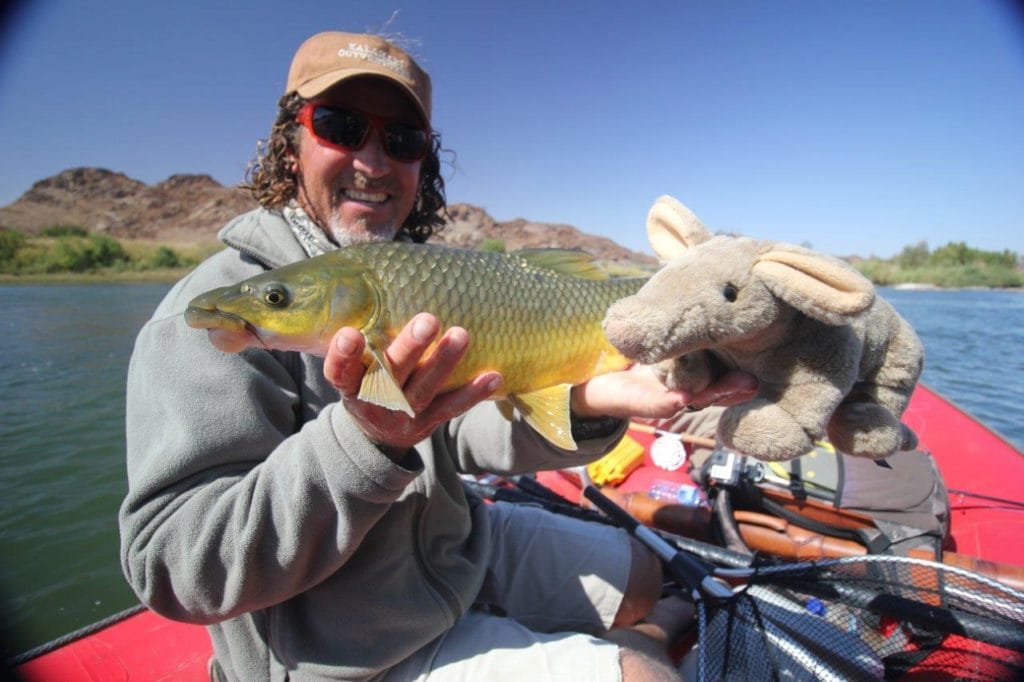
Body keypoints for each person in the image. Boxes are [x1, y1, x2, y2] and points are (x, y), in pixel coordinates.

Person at [118, 31, 755, 681]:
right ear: (290, 146)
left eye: (402, 140)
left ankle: (645, 625)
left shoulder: (412, 273)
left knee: (643, 576)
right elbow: (173, 569)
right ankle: (642, 649)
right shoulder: (209, 317)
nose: (373, 160)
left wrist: (584, 401)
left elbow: (464, 429)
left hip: (452, 549)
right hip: (342, 655)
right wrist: (365, 441)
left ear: (424, 163)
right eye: (340, 126)